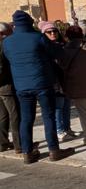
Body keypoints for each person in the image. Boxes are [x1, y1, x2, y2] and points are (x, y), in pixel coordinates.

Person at [2, 11, 75, 164]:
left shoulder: (7, 42)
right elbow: (58, 53)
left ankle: (27, 153)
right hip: (42, 83)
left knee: (26, 119)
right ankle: (54, 150)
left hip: (21, 86)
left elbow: (8, 59)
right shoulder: (38, 37)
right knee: (48, 116)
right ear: (29, 22)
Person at [41, 22, 77, 142]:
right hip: (54, 81)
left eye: (54, 31)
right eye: (49, 32)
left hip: (65, 80)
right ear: (43, 34)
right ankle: (59, 131)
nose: (52, 33)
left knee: (66, 105)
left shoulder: (63, 45)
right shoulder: (44, 48)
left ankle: (67, 128)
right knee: (58, 107)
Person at [0, 22, 20, 153]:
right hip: (7, 85)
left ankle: (2, 143)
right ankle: (20, 144)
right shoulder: (3, 45)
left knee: (2, 115)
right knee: (15, 115)